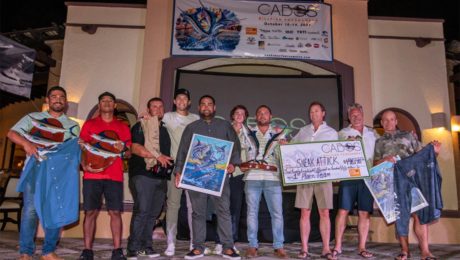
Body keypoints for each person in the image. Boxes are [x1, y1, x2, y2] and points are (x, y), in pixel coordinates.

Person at [7, 86, 80, 260]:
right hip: (35, 169)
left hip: (59, 174)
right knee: (30, 211)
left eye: (61, 97)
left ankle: (48, 252)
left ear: (66, 102)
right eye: (53, 96)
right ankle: (26, 252)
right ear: (47, 100)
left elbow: (71, 152)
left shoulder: (73, 126)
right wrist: (26, 144)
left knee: (57, 209)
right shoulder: (33, 118)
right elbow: (12, 133)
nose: (58, 99)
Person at [174, 95, 241, 260]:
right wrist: (178, 172)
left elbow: (235, 146)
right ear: (199, 107)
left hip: (219, 177)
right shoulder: (191, 128)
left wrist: (233, 164)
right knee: (198, 212)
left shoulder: (225, 125)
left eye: (209, 104)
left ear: (214, 107)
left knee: (223, 210)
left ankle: (228, 247)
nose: (206, 107)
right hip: (196, 176)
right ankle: (198, 247)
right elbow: (183, 151)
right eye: (203, 104)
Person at [374, 110, 441, 260]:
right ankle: (405, 251)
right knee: (400, 216)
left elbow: (422, 153)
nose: (389, 122)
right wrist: (384, 160)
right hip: (392, 183)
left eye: (392, 119)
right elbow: (374, 164)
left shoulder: (408, 136)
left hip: (412, 181)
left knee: (419, 215)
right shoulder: (379, 142)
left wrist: (434, 150)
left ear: (396, 121)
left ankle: (425, 252)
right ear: (382, 123)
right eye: (385, 120)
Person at [78, 92, 132, 260]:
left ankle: (117, 250)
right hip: (91, 175)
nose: (107, 103)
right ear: (99, 105)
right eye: (103, 101)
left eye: (110, 101)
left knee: (115, 212)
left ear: (115, 105)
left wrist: (122, 149)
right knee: (90, 213)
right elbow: (81, 147)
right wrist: (83, 164)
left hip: (114, 176)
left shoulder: (123, 127)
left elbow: (129, 153)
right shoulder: (89, 124)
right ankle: (87, 250)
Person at [126, 97, 173, 259]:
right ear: (148, 109)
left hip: (160, 177)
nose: (158, 109)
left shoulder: (165, 130)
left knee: (153, 213)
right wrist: (157, 156)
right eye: (154, 106)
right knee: (143, 210)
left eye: (161, 106)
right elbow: (135, 148)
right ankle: (133, 247)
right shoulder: (141, 125)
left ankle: (146, 246)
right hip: (142, 175)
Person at [290, 101, 338, 260]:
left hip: (324, 176)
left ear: (323, 113)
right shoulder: (303, 131)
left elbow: (336, 154)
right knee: (305, 212)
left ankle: (325, 248)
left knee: (324, 212)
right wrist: (284, 144)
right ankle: (304, 248)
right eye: (311, 112)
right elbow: (291, 147)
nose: (313, 114)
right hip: (305, 176)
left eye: (316, 111)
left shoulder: (331, 132)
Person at [332, 103, 379, 259]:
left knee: (365, 213)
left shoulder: (373, 133)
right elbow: (332, 152)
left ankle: (362, 247)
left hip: (368, 177)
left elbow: (381, 151)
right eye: (352, 115)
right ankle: (337, 246)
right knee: (343, 210)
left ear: (363, 115)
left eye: (358, 114)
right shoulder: (341, 133)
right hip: (349, 176)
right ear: (348, 117)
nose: (356, 117)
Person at [242, 105, 288, 259]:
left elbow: (287, 157)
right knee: (252, 213)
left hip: (272, 178)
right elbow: (237, 148)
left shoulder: (279, 134)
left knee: (277, 213)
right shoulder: (247, 132)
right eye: (260, 113)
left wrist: (285, 148)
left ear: (271, 116)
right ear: (256, 116)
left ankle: (279, 246)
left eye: (265, 113)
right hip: (252, 177)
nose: (262, 115)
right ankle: (252, 245)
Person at [162, 88, 199, 256]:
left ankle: (194, 242)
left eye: (185, 98)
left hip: (192, 168)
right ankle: (171, 242)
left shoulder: (195, 118)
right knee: (173, 205)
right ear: (175, 101)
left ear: (189, 102)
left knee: (193, 207)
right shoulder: (167, 117)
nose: (182, 101)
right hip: (174, 166)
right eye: (179, 98)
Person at [229, 105, 251, 243]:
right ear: (232, 115)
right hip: (224, 174)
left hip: (238, 175)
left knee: (235, 209)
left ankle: (232, 240)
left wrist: (246, 165)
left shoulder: (248, 133)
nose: (239, 115)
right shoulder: (225, 129)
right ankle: (220, 241)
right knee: (222, 209)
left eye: (242, 113)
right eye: (236, 113)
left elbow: (251, 152)